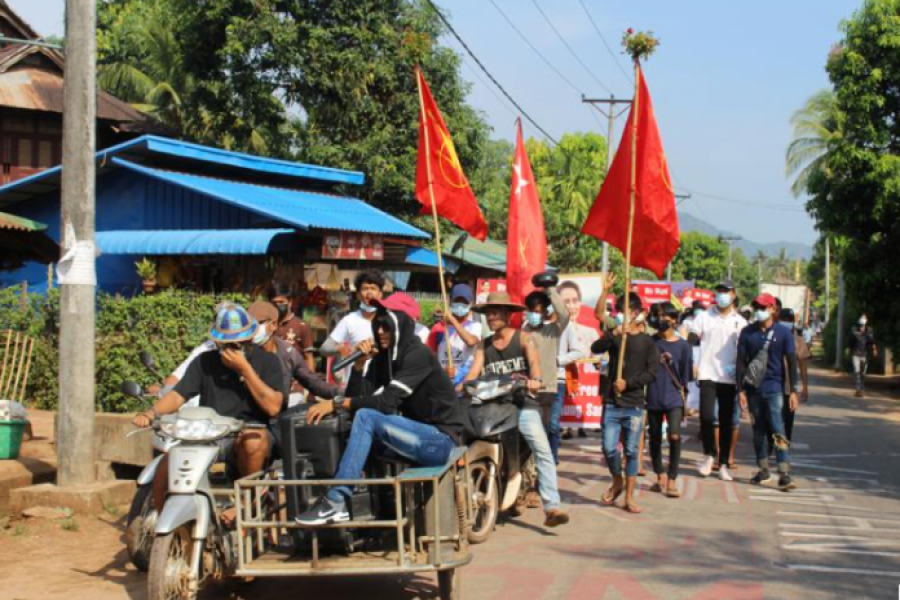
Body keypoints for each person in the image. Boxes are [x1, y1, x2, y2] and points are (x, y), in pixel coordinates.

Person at [296, 304, 469, 525]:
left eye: (386, 328)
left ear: (399, 329)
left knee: (368, 417)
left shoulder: (417, 355)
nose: (380, 333)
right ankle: (380, 512)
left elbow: (385, 404)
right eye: (377, 327)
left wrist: (337, 403)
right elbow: (359, 399)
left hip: (441, 441)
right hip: (413, 435)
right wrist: (359, 365)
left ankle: (336, 501)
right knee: (357, 427)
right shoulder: (385, 358)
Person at [132, 303, 286, 516]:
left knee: (254, 440)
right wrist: (151, 414)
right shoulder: (204, 362)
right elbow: (178, 395)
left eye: (238, 343)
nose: (232, 348)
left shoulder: (268, 362)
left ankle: (245, 505)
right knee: (168, 460)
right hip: (207, 435)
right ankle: (161, 519)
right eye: (227, 343)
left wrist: (245, 370)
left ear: (249, 339)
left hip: (247, 434)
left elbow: (273, 407)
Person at [464, 291, 570, 527]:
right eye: (488, 312)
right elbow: (472, 374)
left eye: (496, 312)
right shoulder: (483, 345)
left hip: (522, 404)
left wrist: (535, 379)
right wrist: (461, 385)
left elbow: (534, 365)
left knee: (542, 449)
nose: (491, 316)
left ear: (508, 314)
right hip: (492, 406)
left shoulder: (524, 339)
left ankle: (551, 507)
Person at [592, 289, 658, 513]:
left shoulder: (648, 342)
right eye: (618, 311)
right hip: (612, 403)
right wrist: (613, 333)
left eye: (624, 311)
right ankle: (616, 480)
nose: (620, 314)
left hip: (635, 405)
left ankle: (629, 497)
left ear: (637, 313)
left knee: (631, 451)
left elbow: (651, 373)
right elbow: (595, 348)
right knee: (609, 448)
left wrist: (628, 384)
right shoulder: (616, 336)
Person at [737, 293, 801, 491]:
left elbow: (791, 363)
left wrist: (793, 391)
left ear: (773, 309)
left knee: (778, 428)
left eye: (763, 307)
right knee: (758, 431)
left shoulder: (783, 333)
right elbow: (741, 362)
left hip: (775, 388)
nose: (759, 310)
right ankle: (763, 469)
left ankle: (784, 473)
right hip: (753, 389)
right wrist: (740, 389)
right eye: (756, 306)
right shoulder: (747, 333)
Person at [691, 280, 747, 481]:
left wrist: (742, 376)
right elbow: (691, 337)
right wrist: (692, 361)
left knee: (725, 422)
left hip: (729, 378)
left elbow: (745, 351)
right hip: (707, 373)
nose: (722, 294)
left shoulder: (740, 322)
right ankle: (709, 455)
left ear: (733, 294)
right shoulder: (705, 317)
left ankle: (723, 463)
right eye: (719, 291)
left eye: (726, 291)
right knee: (706, 417)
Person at [248, 301, 341, 406]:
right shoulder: (245, 351)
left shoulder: (287, 352)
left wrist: (340, 393)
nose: (253, 330)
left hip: (281, 409)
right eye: (249, 325)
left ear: (273, 324)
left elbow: (313, 382)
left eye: (257, 324)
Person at [647, 302, 692, 498]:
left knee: (674, 436)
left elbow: (685, 377)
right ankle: (659, 475)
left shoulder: (683, 346)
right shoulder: (650, 342)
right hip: (653, 396)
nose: (661, 320)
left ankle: (672, 479)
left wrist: (686, 403)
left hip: (673, 397)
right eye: (658, 316)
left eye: (665, 316)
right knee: (655, 437)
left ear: (674, 320)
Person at [523, 277, 570, 465]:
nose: (533, 315)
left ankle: (546, 465)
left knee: (547, 428)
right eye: (530, 311)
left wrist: (550, 290)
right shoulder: (522, 332)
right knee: (528, 434)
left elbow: (564, 315)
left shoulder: (553, 330)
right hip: (526, 389)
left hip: (547, 389)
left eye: (537, 312)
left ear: (544, 313)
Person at [321, 270, 385, 383]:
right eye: (365, 288)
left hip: (380, 385)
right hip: (354, 384)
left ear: (380, 294)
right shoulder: (349, 320)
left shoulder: (388, 320)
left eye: (373, 288)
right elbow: (324, 348)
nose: (369, 292)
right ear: (358, 294)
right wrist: (340, 349)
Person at [558, 281, 600, 440]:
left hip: (584, 383)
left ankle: (581, 426)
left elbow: (598, 358)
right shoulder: (554, 331)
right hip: (563, 378)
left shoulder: (590, 333)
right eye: (566, 302)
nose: (571, 306)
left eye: (575, 300)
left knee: (579, 401)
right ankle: (566, 428)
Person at [431, 283, 482, 385]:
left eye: (464, 302)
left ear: (470, 304)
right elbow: (431, 358)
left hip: (464, 383)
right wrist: (442, 371)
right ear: (450, 302)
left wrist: (453, 320)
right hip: (442, 383)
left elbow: (471, 342)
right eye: (457, 301)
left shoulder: (475, 326)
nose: (460, 304)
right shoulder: (439, 328)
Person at [779, 308, 811, 441]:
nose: (786, 323)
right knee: (773, 419)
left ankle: (783, 448)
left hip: (789, 388)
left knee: (787, 420)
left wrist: (805, 386)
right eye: (783, 320)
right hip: (772, 385)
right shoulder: (771, 337)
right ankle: (771, 445)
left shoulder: (798, 340)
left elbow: (803, 365)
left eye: (788, 320)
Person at [268, 282, 316, 372]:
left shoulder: (301, 326)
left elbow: (308, 357)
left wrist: (311, 382)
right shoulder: (266, 325)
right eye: (274, 303)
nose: (278, 306)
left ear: (290, 302)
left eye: (281, 302)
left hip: (295, 380)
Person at [849, 314, 877, 398]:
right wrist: (850, 350)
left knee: (863, 373)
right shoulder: (854, 331)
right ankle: (858, 390)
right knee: (857, 371)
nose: (862, 327)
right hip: (856, 354)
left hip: (864, 355)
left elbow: (872, 341)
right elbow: (850, 342)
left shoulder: (869, 332)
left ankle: (861, 388)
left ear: (865, 325)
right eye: (860, 326)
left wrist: (874, 349)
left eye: (863, 326)